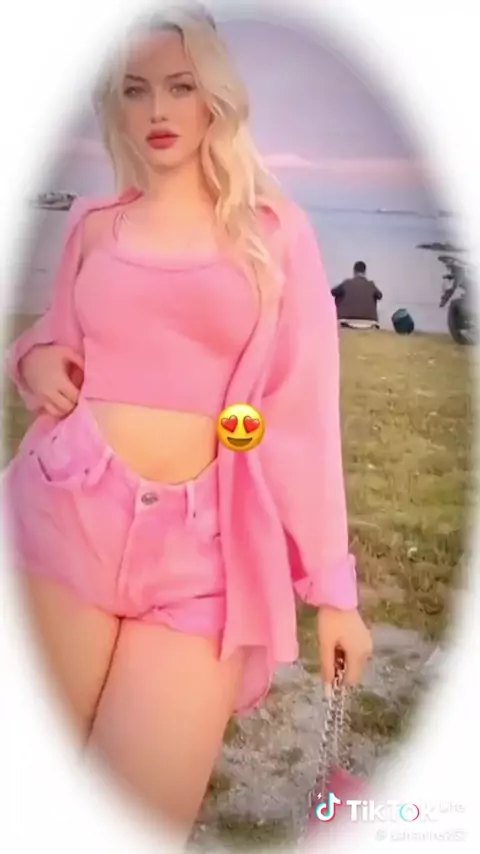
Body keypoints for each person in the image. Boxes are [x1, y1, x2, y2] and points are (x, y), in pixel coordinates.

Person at [3, 4, 372, 844]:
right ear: (115, 105)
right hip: (65, 512)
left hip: (203, 557)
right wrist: (31, 360)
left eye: (180, 86)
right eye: (135, 90)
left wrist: (334, 597)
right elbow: (60, 338)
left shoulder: (273, 235)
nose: (158, 110)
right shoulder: (93, 224)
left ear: (216, 97)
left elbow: (302, 419)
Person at [331, 260, 383, 326]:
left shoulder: (346, 283)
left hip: (346, 320)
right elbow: (380, 296)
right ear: (365, 272)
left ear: (354, 271)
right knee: (374, 295)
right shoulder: (371, 285)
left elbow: (332, 292)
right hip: (370, 322)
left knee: (339, 293)